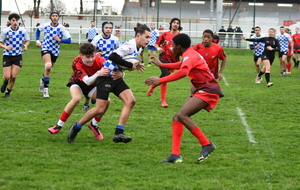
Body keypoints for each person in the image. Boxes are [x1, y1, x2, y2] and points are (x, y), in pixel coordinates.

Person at [145, 33, 224, 163]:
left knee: (182, 115)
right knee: (177, 117)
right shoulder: (189, 53)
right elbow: (182, 65)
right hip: (204, 89)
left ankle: (206, 144)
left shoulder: (190, 54)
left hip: (208, 90)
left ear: (179, 46)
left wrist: (160, 80)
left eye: (173, 46)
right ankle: (175, 155)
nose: (172, 48)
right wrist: (163, 65)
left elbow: (183, 72)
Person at [67, 24, 150, 143]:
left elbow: (124, 62)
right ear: (138, 35)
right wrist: (129, 65)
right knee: (99, 109)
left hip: (116, 77)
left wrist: (132, 67)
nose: (148, 40)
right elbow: (113, 56)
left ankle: (119, 133)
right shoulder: (129, 45)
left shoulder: (139, 48)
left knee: (131, 101)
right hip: (105, 77)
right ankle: (76, 127)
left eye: (149, 37)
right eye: (146, 37)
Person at [36, 10, 72, 98]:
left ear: (58, 17)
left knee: (48, 69)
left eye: (56, 16)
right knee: (48, 66)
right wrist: (37, 40)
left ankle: (42, 80)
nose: (55, 17)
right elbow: (37, 30)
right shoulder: (46, 25)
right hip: (45, 48)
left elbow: (69, 40)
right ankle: (46, 90)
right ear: (50, 17)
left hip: (55, 51)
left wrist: (60, 40)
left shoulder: (61, 28)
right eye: (53, 16)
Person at [147, 18, 182, 108]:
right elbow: (156, 43)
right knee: (165, 77)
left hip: (173, 61)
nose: (176, 24)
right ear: (171, 24)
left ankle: (153, 86)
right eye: (174, 22)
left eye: (177, 23)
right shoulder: (165, 34)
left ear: (179, 25)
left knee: (164, 77)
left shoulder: (180, 36)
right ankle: (163, 100)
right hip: (163, 59)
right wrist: (158, 48)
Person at [0, 13, 30, 98]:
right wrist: (6, 46)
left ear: (19, 21)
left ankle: (7, 93)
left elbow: (27, 40)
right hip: (7, 56)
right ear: (10, 21)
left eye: (16, 20)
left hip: (18, 55)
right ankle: (5, 82)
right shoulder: (5, 31)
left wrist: (26, 45)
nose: (15, 22)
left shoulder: (23, 31)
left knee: (13, 76)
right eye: (13, 20)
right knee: (7, 76)